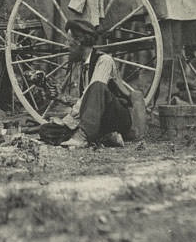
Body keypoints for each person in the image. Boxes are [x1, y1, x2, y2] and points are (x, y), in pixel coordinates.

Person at [40, 18, 133, 148]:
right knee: (46, 130)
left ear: (79, 42)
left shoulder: (104, 60)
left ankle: (82, 137)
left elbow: (94, 92)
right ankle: (104, 137)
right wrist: (61, 98)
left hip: (115, 117)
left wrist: (67, 121)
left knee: (96, 86)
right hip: (96, 120)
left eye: (69, 42)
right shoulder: (83, 67)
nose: (66, 46)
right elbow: (88, 103)